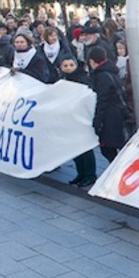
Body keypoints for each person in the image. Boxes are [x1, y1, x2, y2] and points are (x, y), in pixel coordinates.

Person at [58, 56, 98, 186]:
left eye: (71, 65)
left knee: (85, 148)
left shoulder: (83, 79)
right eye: (65, 65)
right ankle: (80, 173)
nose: (68, 68)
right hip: (69, 118)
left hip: (82, 118)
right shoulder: (62, 80)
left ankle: (90, 175)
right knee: (74, 147)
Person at [86, 46, 129, 163]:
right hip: (116, 113)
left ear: (91, 61)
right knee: (114, 146)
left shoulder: (101, 76)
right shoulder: (111, 71)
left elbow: (102, 100)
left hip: (109, 116)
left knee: (108, 149)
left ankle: (118, 171)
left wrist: (97, 121)